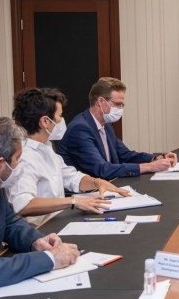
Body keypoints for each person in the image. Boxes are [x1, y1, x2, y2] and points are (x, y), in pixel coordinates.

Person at [0, 117, 80, 293]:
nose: (19, 165)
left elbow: (10, 223)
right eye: (18, 158)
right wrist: (48, 259)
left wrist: (36, 241)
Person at [7, 88, 131, 227]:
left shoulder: (46, 148)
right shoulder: (24, 158)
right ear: (45, 121)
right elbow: (23, 205)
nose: (61, 121)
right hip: (39, 229)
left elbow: (71, 177)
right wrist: (73, 201)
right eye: (59, 116)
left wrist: (97, 182)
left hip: (56, 222)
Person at [57, 77, 177, 180]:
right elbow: (101, 169)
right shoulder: (80, 129)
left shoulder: (106, 124)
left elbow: (125, 155)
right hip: (86, 193)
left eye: (122, 105)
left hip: (108, 186)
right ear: (101, 101)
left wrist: (155, 158)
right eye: (117, 104)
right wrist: (148, 167)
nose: (120, 109)